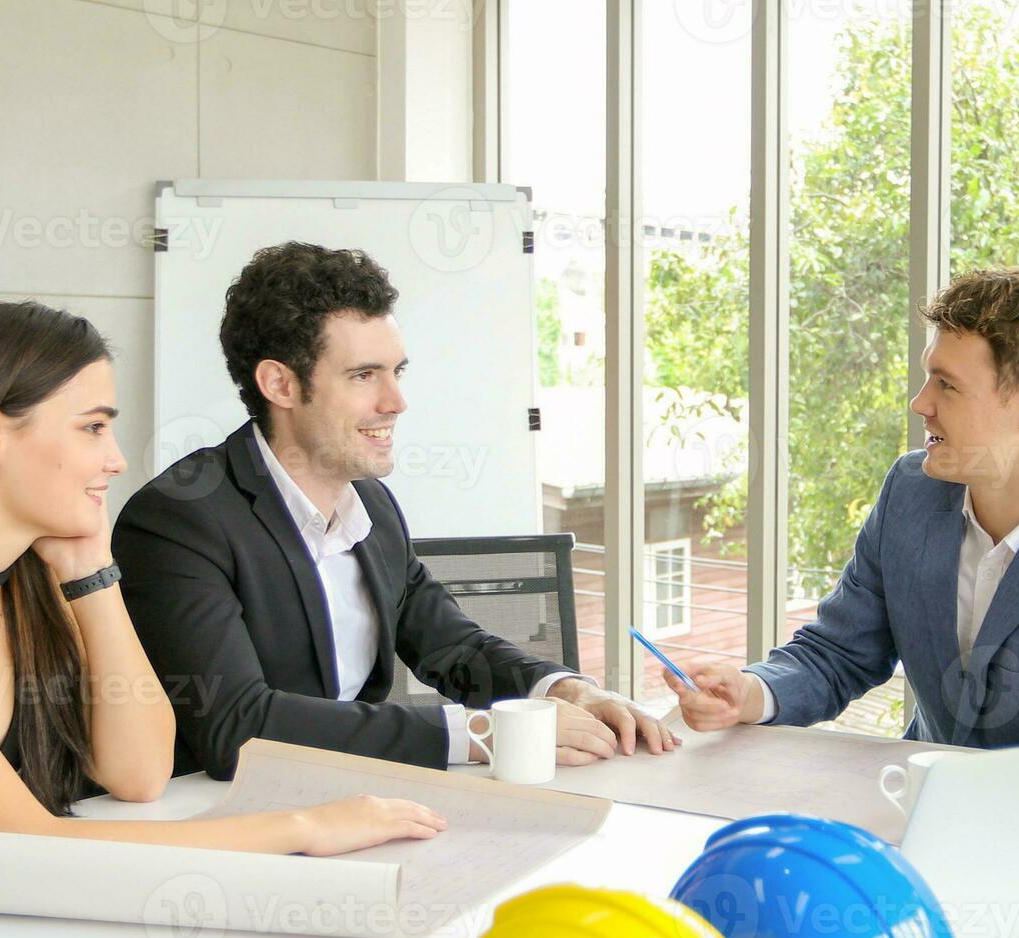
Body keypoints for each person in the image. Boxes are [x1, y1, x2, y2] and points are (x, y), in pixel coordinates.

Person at [0, 301, 446, 870]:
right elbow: (13, 844)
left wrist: (91, 576)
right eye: (93, 427)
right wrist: (302, 829)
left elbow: (137, 774)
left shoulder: (29, 576)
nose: (116, 457)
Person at [114, 242, 675, 780]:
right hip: (214, 820)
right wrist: (477, 734)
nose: (395, 401)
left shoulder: (371, 505)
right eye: (364, 375)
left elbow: (453, 647)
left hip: (350, 799)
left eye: (396, 371)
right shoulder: (179, 520)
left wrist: (561, 690)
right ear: (280, 383)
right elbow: (237, 728)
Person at [669, 265, 1019, 746]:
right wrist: (750, 693)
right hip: (909, 813)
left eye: (947, 385)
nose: (920, 403)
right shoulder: (912, 493)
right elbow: (840, 654)